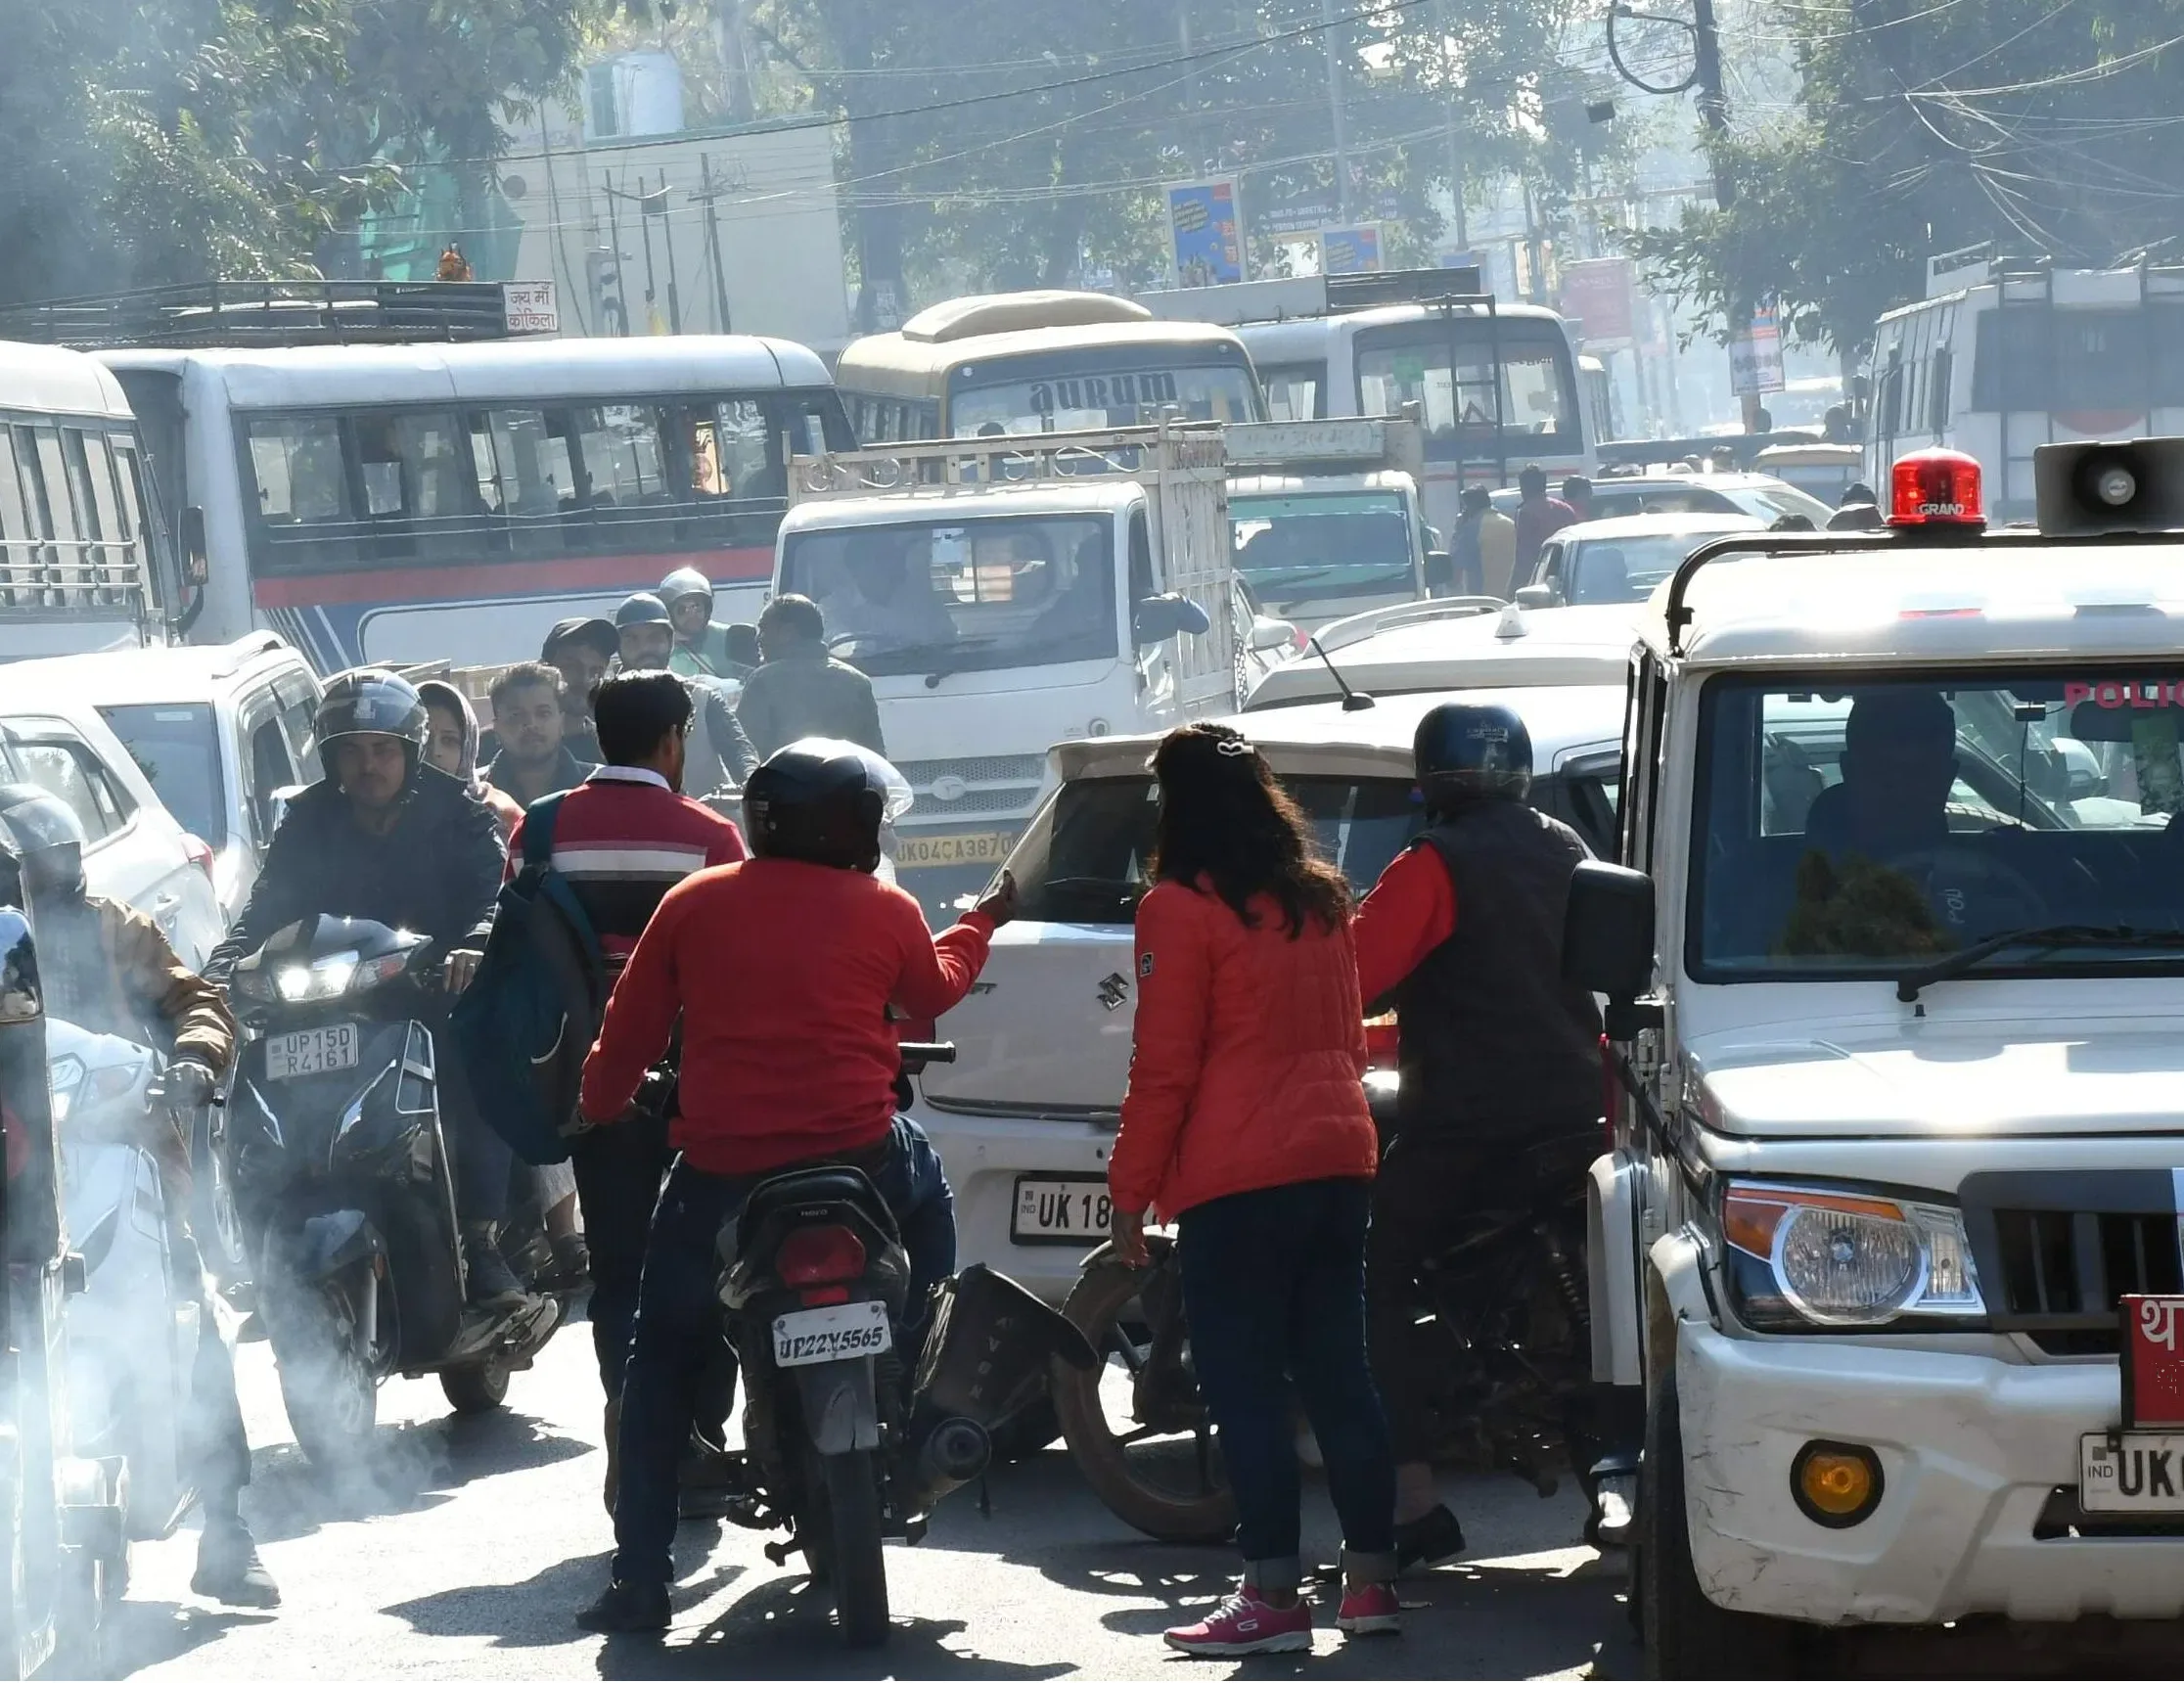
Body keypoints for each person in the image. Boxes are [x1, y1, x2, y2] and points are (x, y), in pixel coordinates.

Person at [572, 740, 1014, 1634]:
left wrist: (599, 1104)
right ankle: (922, 1339)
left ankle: (640, 1579)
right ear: (851, 826)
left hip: (722, 1176)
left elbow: (628, 1035)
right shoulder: (885, 908)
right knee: (931, 1207)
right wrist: (983, 921)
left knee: (659, 1359)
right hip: (862, 1160)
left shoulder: (693, 904)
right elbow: (936, 987)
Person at [1107, 723, 1395, 1655]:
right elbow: (1350, 1040)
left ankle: (1271, 1598)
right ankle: (1371, 1585)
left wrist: (1130, 1190)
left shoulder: (1177, 909)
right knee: (1341, 1377)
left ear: (1177, 806)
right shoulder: (1320, 899)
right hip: (1338, 1155)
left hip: (1238, 1175)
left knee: (1247, 1390)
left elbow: (1165, 1066)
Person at [0, 787, 279, 1608]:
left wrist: (194, 1059)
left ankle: (227, 1532)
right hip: (12, 1169)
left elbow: (196, 1000)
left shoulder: (113, 928)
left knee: (191, 1322)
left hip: (122, 1149)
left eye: (40, 870)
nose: (35, 886)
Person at [485, 669, 749, 1512]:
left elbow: (520, 950)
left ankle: (628, 1422)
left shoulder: (544, 825)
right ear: (674, 739)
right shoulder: (711, 836)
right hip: (694, 1080)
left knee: (620, 1267)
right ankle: (697, 1434)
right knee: (707, 1254)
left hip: (587, 1082)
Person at [1351, 702, 1602, 1570]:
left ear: (1433, 779)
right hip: (1577, 1107)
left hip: (1471, 1119)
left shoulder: (1433, 863)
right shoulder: (1564, 846)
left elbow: (1355, 975)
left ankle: (1413, 1501)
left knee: (1366, 1276)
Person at [207, 671, 531, 1312]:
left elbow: (496, 896)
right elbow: (264, 907)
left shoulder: (458, 811)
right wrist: (221, 967)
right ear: (330, 757)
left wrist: (473, 947)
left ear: (409, 751)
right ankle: (262, 1236)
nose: (368, 766)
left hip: (429, 991)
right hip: (323, 996)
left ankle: (479, 1239)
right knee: (247, 1074)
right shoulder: (308, 817)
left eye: (382, 749)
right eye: (351, 751)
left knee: (474, 1061)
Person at [614, 592, 758, 795]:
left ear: (670, 641)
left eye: (654, 638)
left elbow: (741, 752)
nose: (645, 649)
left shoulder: (702, 698)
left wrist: (750, 784)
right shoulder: (606, 706)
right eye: (632, 640)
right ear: (619, 648)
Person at [1801, 689, 1956, 862]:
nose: (1902, 790)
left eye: (1921, 774)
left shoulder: (1983, 868)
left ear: (1948, 776)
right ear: (1849, 770)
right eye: (1883, 772)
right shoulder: (1819, 880)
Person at [736, 594, 887, 759]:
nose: (759, 638)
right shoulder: (858, 682)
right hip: (848, 783)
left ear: (788, 632)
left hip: (784, 783)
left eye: (764, 629)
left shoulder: (763, 680)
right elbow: (876, 759)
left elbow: (746, 752)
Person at [420, 679, 523, 840]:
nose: (436, 752)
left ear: (468, 747)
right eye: (425, 740)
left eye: (449, 740)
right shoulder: (383, 812)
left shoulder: (498, 812)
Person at [482, 662, 595, 809]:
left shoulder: (596, 786)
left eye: (543, 713)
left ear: (561, 722)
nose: (531, 724)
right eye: (516, 715)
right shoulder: (476, 794)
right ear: (497, 728)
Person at [827, 530, 959, 649]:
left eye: (885, 559)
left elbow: (949, 638)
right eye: (872, 561)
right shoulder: (835, 606)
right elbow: (831, 643)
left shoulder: (924, 601)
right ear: (854, 568)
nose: (880, 569)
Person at [541, 616, 619, 762]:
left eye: (596, 670)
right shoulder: (503, 741)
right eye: (572, 667)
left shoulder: (613, 747)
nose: (584, 680)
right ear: (544, 668)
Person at [657, 568, 751, 682]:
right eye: (683, 609)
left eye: (697, 606)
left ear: (707, 608)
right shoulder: (660, 648)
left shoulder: (729, 636)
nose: (692, 614)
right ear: (669, 612)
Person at [1447, 486, 1518, 600]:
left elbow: (1455, 575)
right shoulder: (1510, 524)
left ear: (1471, 507)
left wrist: (1458, 531)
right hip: (1510, 597)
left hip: (1484, 601)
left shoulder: (1471, 528)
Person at [1513, 465, 1579, 575]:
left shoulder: (1525, 512)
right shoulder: (1566, 509)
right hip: (1568, 571)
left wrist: (1514, 586)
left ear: (1524, 488)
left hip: (1540, 573)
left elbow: (1523, 555)